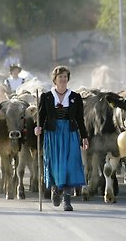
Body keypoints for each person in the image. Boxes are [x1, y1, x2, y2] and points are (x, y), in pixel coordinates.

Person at [35, 65, 89, 211]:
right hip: (53, 134)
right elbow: (41, 116)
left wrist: (84, 137)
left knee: (70, 164)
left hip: (70, 133)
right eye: (60, 77)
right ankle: (54, 189)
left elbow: (80, 119)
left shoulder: (75, 97)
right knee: (55, 164)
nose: (63, 79)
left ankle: (67, 199)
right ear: (55, 79)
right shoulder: (46, 97)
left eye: (65, 77)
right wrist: (37, 127)